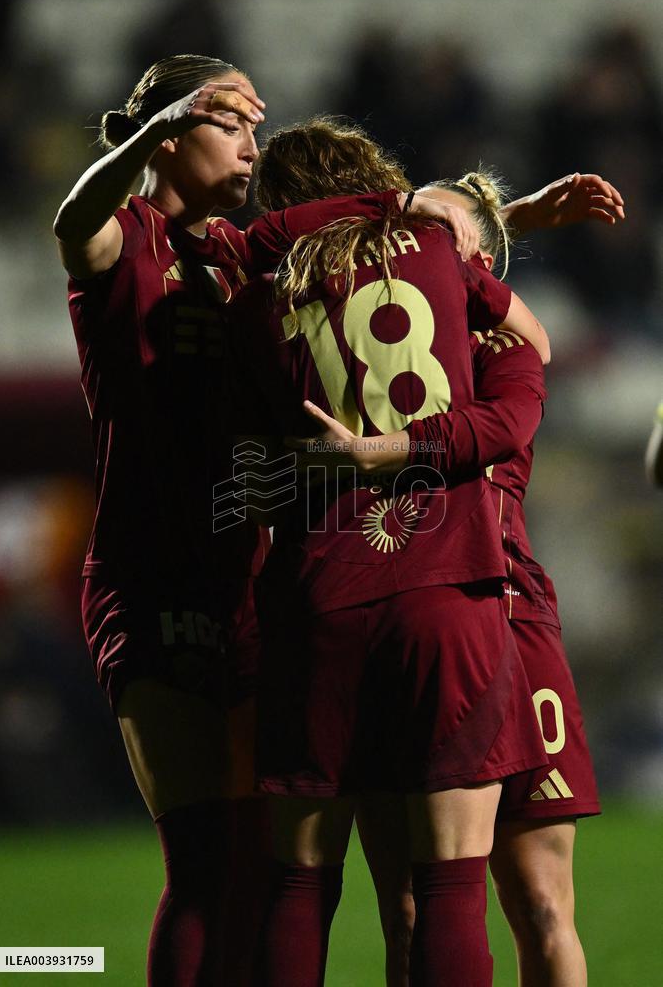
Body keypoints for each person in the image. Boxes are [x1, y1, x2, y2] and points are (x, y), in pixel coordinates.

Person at [52, 53, 491, 987]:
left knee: (267, 863)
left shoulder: (250, 253)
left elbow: (388, 242)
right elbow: (71, 217)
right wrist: (151, 123)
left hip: (255, 578)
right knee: (208, 860)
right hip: (153, 570)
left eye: (257, 125)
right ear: (169, 133)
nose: (255, 145)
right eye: (231, 123)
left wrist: (507, 215)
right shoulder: (120, 238)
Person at [228, 118, 558, 987]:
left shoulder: (259, 295)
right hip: (448, 585)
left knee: (298, 885)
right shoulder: (439, 254)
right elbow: (531, 341)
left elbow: (255, 433)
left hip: (318, 589)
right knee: (450, 883)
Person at [290, 171, 605, 987]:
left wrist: (497, 226)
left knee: (538, 900)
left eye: (437, 233)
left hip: (508, 611)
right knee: (408, 902)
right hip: (405, 615)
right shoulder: (369, 343)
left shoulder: (500, 343)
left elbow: (522, 371)